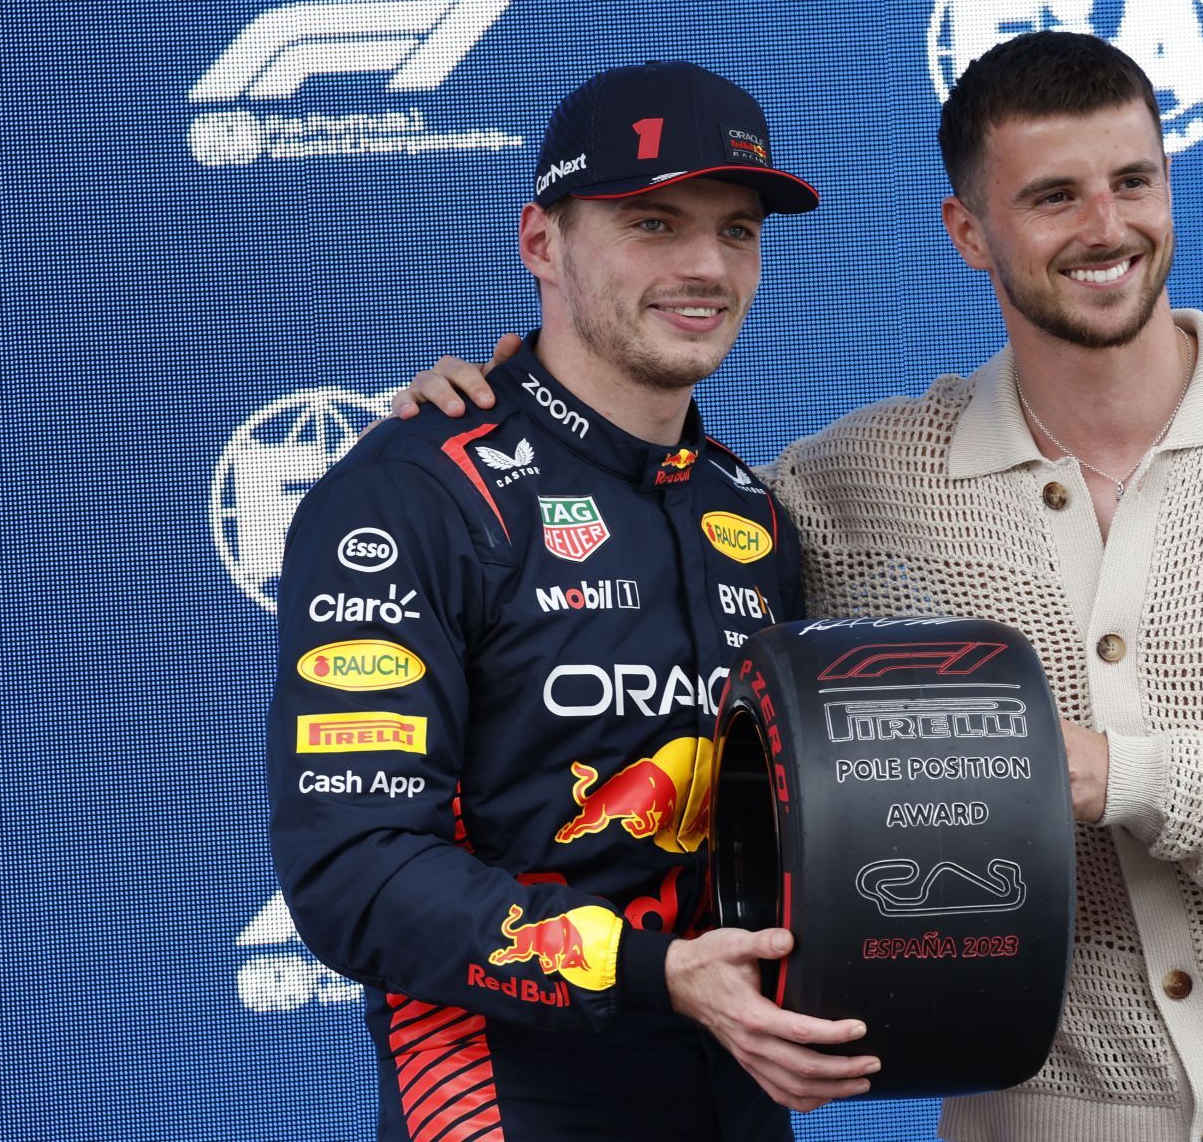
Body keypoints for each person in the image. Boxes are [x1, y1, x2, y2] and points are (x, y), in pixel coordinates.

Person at [399, 32, 1203, 1142]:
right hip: (1050, 1116)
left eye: (1133, 182)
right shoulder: (857, 481)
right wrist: (509, 415)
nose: (1107, 227)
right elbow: (659, 527)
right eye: (1054, 196)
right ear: (968, 231)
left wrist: (1122, 774)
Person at [270, 59, 877, 1142]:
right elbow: (353, 869)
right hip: (504, 1084)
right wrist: (654, 968)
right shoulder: (411, 493)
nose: (707, 266)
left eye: (737, 229)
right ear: (541, 242)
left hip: (735, 1084)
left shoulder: (752, 508)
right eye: (653, 222)